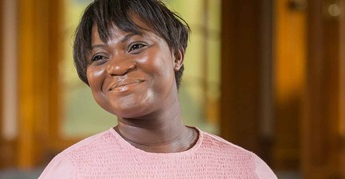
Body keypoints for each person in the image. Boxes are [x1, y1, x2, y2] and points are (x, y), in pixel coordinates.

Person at [39, 0, 277, 178]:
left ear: (177, 55)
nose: (118, 67)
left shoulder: (246, 169)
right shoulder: (71, 170)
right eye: (99, 57)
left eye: (136, 46)